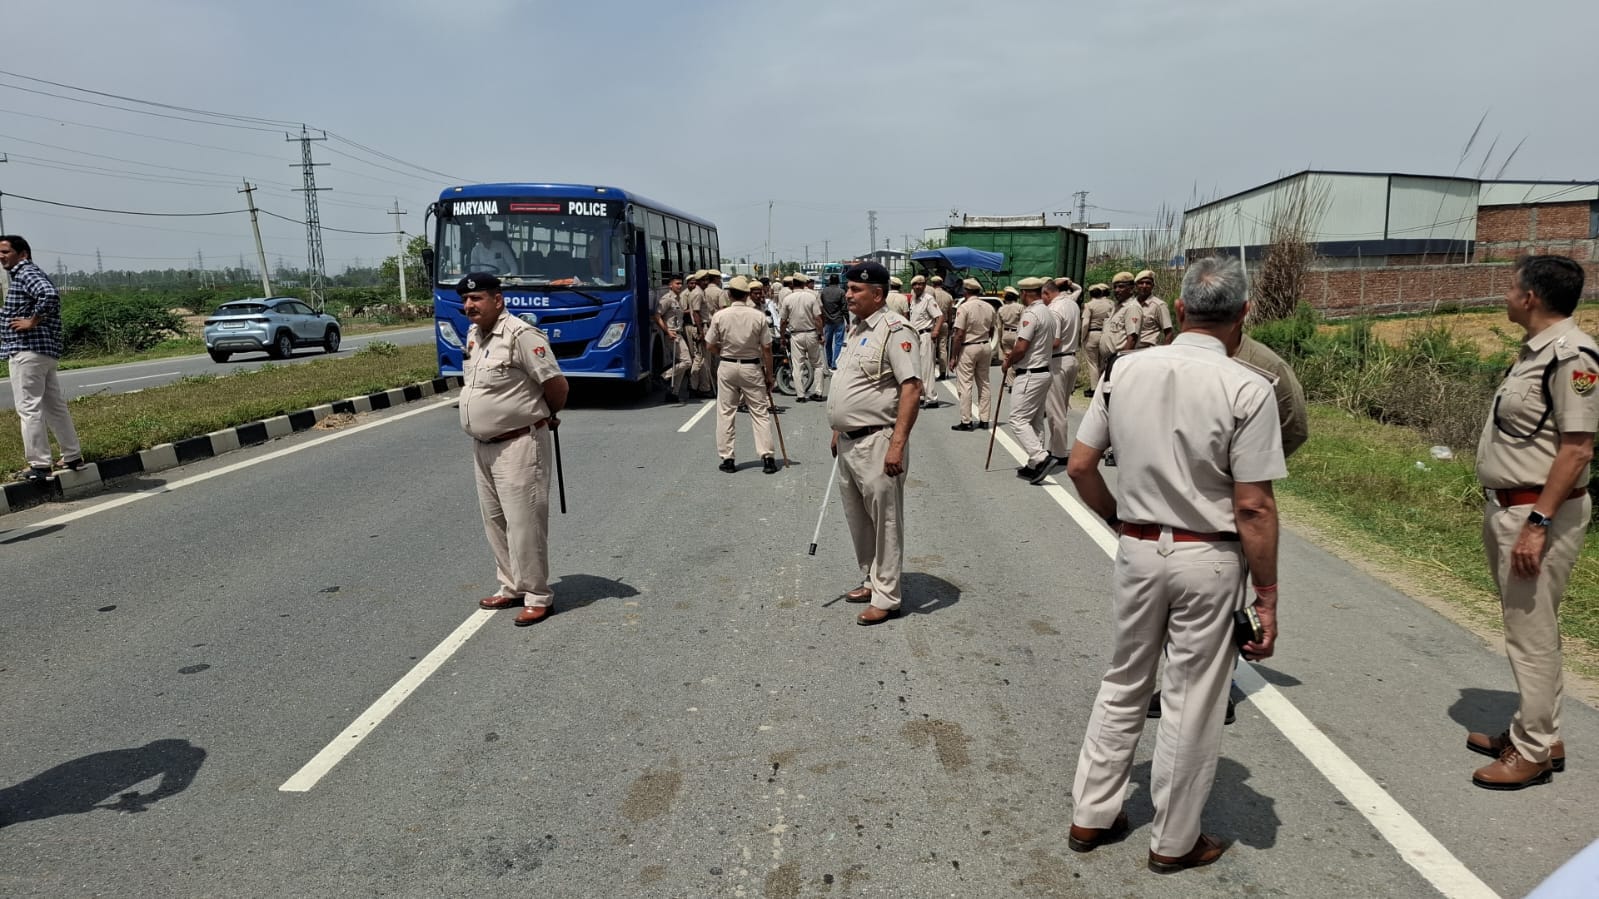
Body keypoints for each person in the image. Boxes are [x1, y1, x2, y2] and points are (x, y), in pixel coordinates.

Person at [1064, 255, 1284, 874]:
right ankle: (1173, 840)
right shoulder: (1248, 387)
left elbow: (1080, 465)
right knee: (1191, 698)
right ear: (1244, 314)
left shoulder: (1125, 369)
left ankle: (1091, 813)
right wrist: (1267, 596)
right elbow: (1253, 506)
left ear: (1180, 310)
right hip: (1207, 554)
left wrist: (1119, 521)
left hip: (1138, 546)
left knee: (1123, 679)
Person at [1469, 254, 1596, 790]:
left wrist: (1538, 522)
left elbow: (1578, 449)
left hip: (1537, 513)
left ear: (1531, 297)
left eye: (1511, 287)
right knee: (1530, 627)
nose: (1505, 295)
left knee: (1531, 634)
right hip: (1513, 508)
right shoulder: (1536, 354)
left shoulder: (1572, 357)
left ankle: (1532, 751)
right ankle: (1540, 731)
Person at [457, 273, 571, 627]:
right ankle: (511, 586)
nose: (469, 305)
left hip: (520, 443)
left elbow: (556, 384)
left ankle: (537, 595)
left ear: (498, 300)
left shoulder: (522, 335)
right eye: (465, 300)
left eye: (476, 298)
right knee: (495, 521)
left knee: (524, 524)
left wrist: (544, 415)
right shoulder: (474, 335)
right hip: (484, 446)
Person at [827, 261, 922, 625]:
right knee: (859, 519)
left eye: (856, 290)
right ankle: (871, 578)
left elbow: (911, 388)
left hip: (878, 440)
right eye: (848, 288)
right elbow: (851, 383)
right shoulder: (856, 328)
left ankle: (888, 596)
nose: (847, 295)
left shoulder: (896, 330)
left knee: (885, 521)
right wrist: (838, 427)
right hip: (850, 441)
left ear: (878, 294)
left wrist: (897, 445)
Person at [2, 235, 84, 481]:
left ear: (23, 254)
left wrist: (31, 321)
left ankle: (39, 465)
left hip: (27, 350)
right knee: (54, 406)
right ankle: (72, 456)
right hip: (42, 352)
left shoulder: (25, 272)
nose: (1, 256)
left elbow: (49, 295)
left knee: (29, 408)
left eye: (5, 251)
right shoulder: (29, 273)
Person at [704, 276, 778, 475]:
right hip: (751, 366)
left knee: (726, 412)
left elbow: (709, 345)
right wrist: (769, 375)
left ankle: (728, 458)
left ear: (729, 294)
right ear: (747, 295)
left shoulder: (720, 316)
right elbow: (767, 348)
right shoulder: (758, 316)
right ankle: (767, 457)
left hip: (727, 365)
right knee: (760, 412)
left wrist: (722, 352)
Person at [1001, 278, 1060, 484]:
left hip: (1030, 372)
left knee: (1017, 419)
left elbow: (1021, 346)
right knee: (1034, 419)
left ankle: (1040, 457)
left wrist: (1008, 361)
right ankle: (1035, 464)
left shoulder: (1031, 313)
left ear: (1025, 293)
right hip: (1044, 370)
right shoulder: (1048, 312)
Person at [1043, 277, 1083, 466]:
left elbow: (1055, 340)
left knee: (1055, 410)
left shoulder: (1054, 309)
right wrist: (1068, 282)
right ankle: (1054, 446)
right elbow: (1078, 289)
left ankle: (1058, 452)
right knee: (1062, 407)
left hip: (1058, 360)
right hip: (1071, 358)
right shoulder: (1072, 303)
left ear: (1047, 293)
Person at [949, 277, 996, 431]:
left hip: (969, 347)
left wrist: (953, 356)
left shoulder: (964, 307)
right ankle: (984, 419)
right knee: (984, 383)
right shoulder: (989, 307)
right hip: (985, 345)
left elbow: (959, 334)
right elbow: (992, 330)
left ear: (965, 291)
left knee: (965, 385)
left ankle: (966, 421)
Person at [780, 272, 825, 402]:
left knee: (797, 365)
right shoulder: (811, 297)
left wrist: (782, 336)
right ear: (804, 284)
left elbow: (783, 321)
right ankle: (818, 393)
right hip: (811, 333)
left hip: (796, 335)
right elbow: (818, 318)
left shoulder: (788, 299)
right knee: (817, 365)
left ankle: (800, 395)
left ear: (793, 284)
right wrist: (821, 334)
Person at [907, 275, 944, 407]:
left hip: (925, 335)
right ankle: (922, 394)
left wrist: (936, 331)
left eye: (921, 284)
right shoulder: (914, 300)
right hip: (916, 336)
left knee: (927, 368)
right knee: (918, 368)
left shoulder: (928, 299)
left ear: (924, 286)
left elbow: (940, 316)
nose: (918, 287)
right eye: (915, 284)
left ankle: (932, 397)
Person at [653, 274, 691, 404]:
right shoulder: (667, 299)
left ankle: (673, 393)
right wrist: (667, 331)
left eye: (681, 283)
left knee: (682, 364)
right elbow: (657, 316)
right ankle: (664, 376)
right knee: (687, 362)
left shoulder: (678, 299)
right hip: (672, 335)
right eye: (677, 283)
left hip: (679, 333)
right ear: (670, 285)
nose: (679, 286)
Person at [685, 271, 715, 398]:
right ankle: (696, 386)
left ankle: (699, 386)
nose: (706, 282)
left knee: (702, 358)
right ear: (698, 281)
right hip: (700, 327)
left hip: (702, 326)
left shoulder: (700, 292)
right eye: (703, 280)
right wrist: (701, 331)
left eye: (707, 279)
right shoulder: (697, 293)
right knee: (700, 359)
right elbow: (696, 313)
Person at [1081, 283, 1114, 396]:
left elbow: (1085, 323)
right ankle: (1103, 386)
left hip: (1092, 334)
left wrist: (1083, 337)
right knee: (1103, 363)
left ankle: (1094, 388)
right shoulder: (1111, 304)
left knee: (1093, 363)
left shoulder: (1089, 305)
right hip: (1106, 334)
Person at [1135, 270, 1174, 348]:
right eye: (1141, 283)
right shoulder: (1130, 305)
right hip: (1128, 351)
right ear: (1136, 285)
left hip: (1147, 350)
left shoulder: (1159, 305)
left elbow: (1169, 333)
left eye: (1148, 283)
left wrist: (1164, 352)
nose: (1144, 286)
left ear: (1153, 286)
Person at [996, 286, 1023, 385]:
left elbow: (999, 327)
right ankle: (1012, 382)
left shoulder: (1001, 309)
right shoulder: (1020, 307)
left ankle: (1007, 378)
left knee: (1007, 358)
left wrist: (1000, 340)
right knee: (1015, 358)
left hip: (1006, 334)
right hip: (1016, 334)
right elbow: (1022, 323)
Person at [931, 275, 956, 379]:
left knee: (932, 348)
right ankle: (942, 372)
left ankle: (931, 371)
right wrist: (950, 325)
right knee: (943, 348)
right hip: (944, 323)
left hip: (933, 323)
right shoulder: (948, 296)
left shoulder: (930, 295)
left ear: (933, 284)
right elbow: (950, 313)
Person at [821, 274, 848, 370]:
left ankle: (829, 362)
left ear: (829, 281)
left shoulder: (824, 292)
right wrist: (848, 321)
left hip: (827, 321)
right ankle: (835, 363)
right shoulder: (841, 292)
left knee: (828, 343)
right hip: (839, 321)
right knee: (838, 343)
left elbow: (821, 307)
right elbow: (844, 308)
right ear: (838, 281)